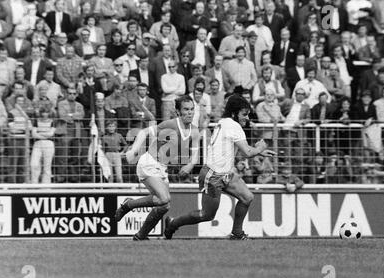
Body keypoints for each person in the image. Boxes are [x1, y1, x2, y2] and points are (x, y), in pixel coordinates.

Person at [164, 94, 276, 240]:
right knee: (207, 215)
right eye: (244, 114)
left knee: (247, 197)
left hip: (225, 173)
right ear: (235, 113)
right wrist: (260, 147)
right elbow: (248, 152)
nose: (247, 118)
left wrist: (257, 151)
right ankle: (173, 223)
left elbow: (233, 149)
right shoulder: (234, 126)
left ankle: (237, 233)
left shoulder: (224, 122)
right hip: (213, 175)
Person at [114, 95, 200, 240]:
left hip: (161, 168)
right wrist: (133, 150)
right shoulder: (171, 125)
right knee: (164, 198)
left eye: (192, 109)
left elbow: (195, 156)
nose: (190, 112)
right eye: (186, 109)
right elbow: (144, 132)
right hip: (149, 163)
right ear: (178, 112)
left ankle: (140, 236)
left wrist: (190, 165)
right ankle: (128, 205)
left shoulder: (195, 131)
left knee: (164, 206)